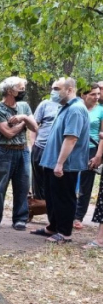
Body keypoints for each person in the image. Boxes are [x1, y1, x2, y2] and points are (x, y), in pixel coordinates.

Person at [36, 77, 90, 243]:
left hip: (66, 165)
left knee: (64, 198)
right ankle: (53, 227)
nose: (53, 91)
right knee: (52, 197)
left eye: (57, 88)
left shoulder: (76, 110)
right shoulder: (65, 107)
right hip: (52, 161)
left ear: (69, 89)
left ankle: (64, 233)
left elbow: (71, 138)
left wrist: (60, 163)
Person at [0, 77, 37, 230]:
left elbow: (35, 127)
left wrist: (22, 117)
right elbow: (8, 133)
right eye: (20, 88)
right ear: (10, 91)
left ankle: (20, 218)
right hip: (3, 152)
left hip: (23, 151)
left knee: (22, 186)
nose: (23, 91)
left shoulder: (24, 106)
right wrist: (25, 122)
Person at [74, 83, 103, 229]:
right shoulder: (75, 108)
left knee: (86, 185)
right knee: (69, 182)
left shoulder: (101, 111)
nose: (97, 97)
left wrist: (98, 155)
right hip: (74, 149)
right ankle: (66, 213)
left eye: (98, 94)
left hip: (91, 149)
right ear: (83, 95)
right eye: (93, 94)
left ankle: (78, 216)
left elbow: (102, 135)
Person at [29, 86, 62, 202]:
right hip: (40, 147)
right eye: (53, 88)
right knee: (38, 178)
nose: (54, 91)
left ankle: (52, 208)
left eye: (58, 88)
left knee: (55, 179)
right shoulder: (45, 104)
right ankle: (39, 205)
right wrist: (33, 144)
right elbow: (34, 125)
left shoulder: (69, 106)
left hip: (58, 150)